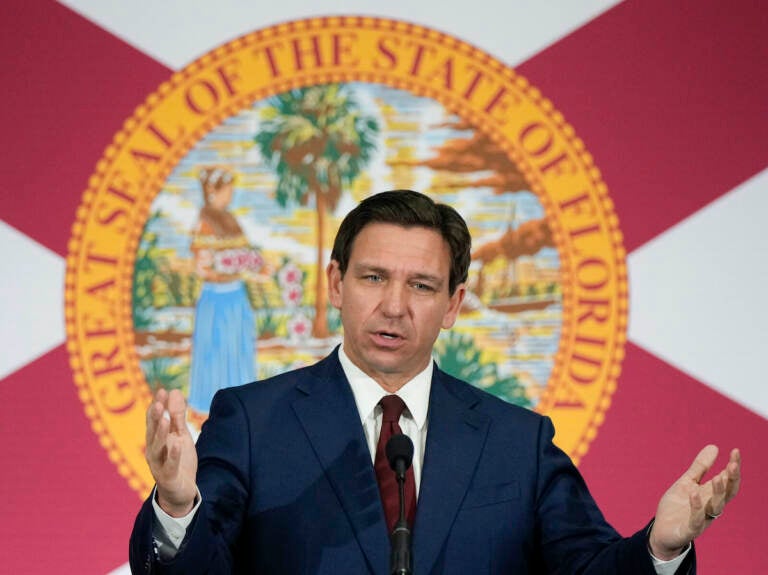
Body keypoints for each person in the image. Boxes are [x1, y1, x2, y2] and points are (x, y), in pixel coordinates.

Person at [130, 190, 741, 574]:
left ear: (453, 304)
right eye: (373, 278)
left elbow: (590, 569)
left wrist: (660, 549)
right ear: (335, 284)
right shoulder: (254, 421)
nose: (394, 306)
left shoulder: (516, 442)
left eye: (421, 286)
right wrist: (179, 505)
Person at [187, 167, 262, 428]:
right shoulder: (204, 222)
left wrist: (253, 266)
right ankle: (206, 414)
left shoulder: (231, 220)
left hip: (235, 298)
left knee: (237, 352)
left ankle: (242, 412)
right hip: (216, 299)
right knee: (215, 354)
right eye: (226, 190)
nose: (230, 195)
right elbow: (203, 266)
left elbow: (245, 254)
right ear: (212, 192)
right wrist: (224, 268)